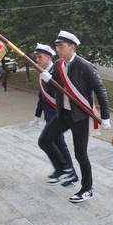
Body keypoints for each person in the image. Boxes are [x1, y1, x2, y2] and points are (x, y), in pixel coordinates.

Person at [38, 30, 111, 203]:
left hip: (79, 117)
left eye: (61, 46)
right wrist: (47, 80)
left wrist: (106, 116)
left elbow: (100, 90)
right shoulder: (58, 65)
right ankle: (65, 170)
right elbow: (52, 89)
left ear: (72, 46)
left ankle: (87, 189)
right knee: (44, 140)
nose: (58, 49)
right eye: (56, 46)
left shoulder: (84, 66)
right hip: (63, 114)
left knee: (80, 154)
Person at [33, 43, 77, 186]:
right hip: (49, 115)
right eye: (37, 57)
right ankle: (66, 171)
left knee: (59, 144)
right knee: (54, 143)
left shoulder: (57, 70)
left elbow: (61, 93)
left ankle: (69, 172)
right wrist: (37, 114)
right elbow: (42, 96)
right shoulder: (42, 73)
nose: (37, 60)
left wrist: (50, 80)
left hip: (58, 115)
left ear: (48, 57)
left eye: (40, 57)